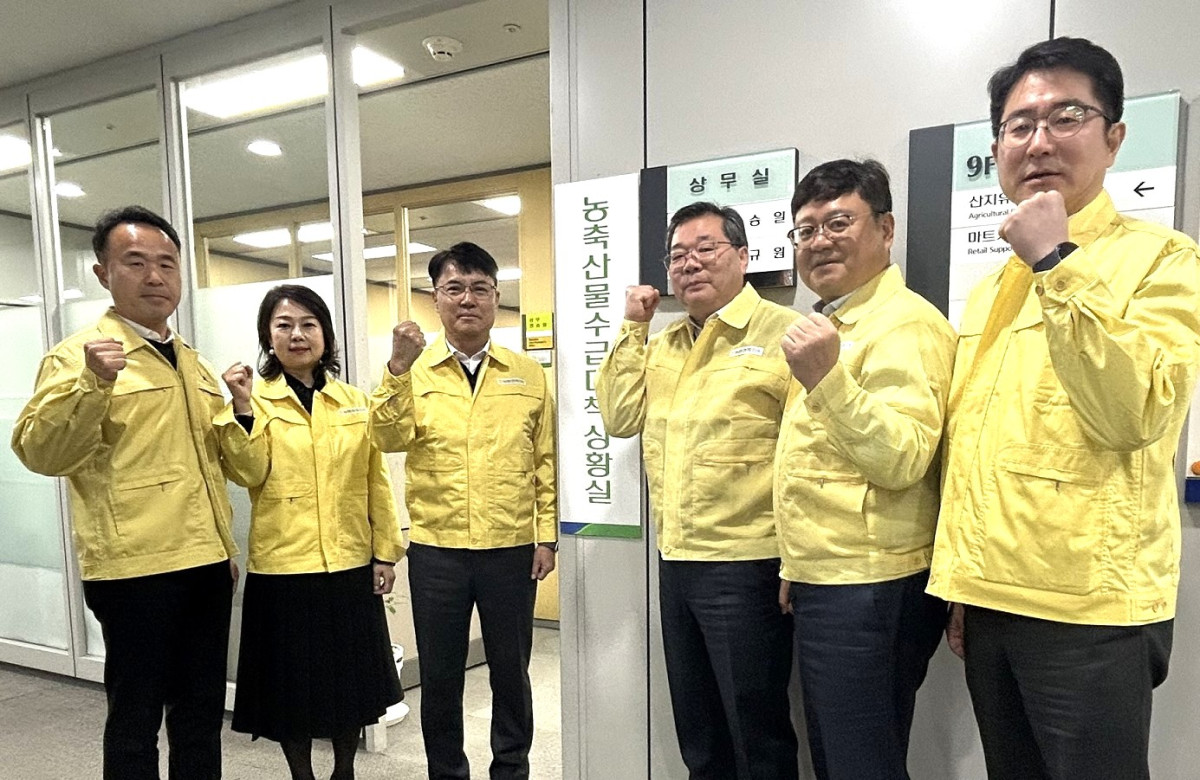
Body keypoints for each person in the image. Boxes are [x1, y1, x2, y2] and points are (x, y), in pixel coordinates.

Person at [927, 37, 1200, 780]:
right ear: (996, 148)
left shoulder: (1164, 259)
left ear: (1113, 137)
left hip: (1090, 612)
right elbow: (978, 443)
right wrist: (963, 585)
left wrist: (1056, 262)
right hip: (990, 602)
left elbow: (1135, 412)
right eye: (1019, 125)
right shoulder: (990, 287)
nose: (1039, 140)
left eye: (1066, 116)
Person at [11, 205, 238, 780]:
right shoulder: (79, 356)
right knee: (136, 718)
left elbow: (213, 466)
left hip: (206, 562)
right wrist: (94, 384)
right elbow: (41, 453)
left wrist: (227, 554)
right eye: (135, 263)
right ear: (103, 274)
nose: (155, 277)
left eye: (166, 263)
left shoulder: (194, 363)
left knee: (200, 713)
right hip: (134, 570)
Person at [596, 202, 798, 780]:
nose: (690, 264)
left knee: (756, 730)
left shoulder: (786, 335)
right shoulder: (660, 344)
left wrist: (796, 558)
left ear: (743, 255)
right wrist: (633, 327)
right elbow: (617, 415)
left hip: (749, 563)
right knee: (698, 729)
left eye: (705, 249)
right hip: (677, 559)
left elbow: (807, 456)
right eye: (678, 255)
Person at [776, 159, 954, 780]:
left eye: (838, 222)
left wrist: (829, 379)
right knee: (837, 755)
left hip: (875, 585)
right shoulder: (832, 321)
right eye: (805, 230)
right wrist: (800, 565)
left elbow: (904, 458)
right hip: (834, 577)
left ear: (886, 229)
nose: (819, 240)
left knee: (860, 763)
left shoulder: (908, 324)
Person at [372, 241, 557, 780]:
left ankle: (511, 769)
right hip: (437, 551)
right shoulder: (413, 370)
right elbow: (384, 438)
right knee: (444, 677)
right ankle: (446, 772)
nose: (467, 299)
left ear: (497, 297)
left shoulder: (527, 373)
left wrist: (545, 536)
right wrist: (396, 371)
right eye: (454, 288)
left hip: (509, 549)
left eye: (480, 288)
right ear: (437, 299)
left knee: (510, 674)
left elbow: (545, 459)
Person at [215, 284, 403, 780]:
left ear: (325, 335)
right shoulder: (255, 400)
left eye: (308, 324)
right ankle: (302, 775)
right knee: (289, 691)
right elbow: (247, 472)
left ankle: (344, 771)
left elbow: (374, 482)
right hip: (284, 569)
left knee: (350, 685)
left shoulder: (353, 401)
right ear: (268, 337)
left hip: (348, 563)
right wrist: (241, 408)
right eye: (283, 325)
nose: (297, 334)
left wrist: (385, 552)